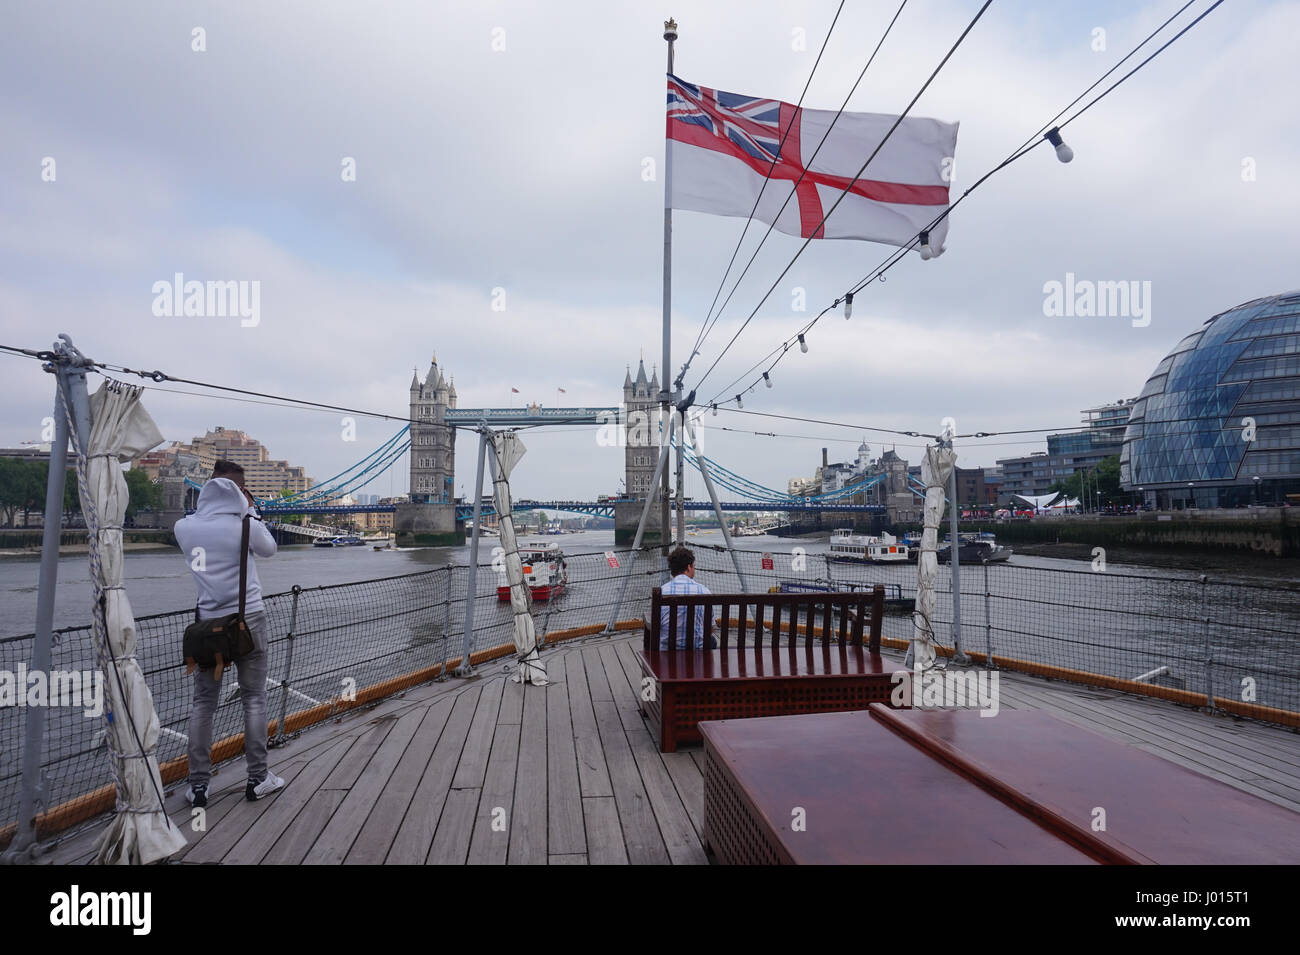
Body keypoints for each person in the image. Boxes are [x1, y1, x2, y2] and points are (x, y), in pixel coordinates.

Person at [174, 461, 284, 806]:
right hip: (248, 619)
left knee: (204, 703)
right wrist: (250, 511)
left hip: (207, 626)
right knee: (254, 697)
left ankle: (198, 786)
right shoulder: (244, 525)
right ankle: (258, 778)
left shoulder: (184, 527)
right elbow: (270, 550)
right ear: (239, 492)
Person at [659, 546, 716, 650]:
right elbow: (710, 628)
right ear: (689, 567)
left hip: (667, 652)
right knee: (712, 641)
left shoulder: (662, 591)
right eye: (694, 566)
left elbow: (656, 625)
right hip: (697, 652)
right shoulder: (704, 591)